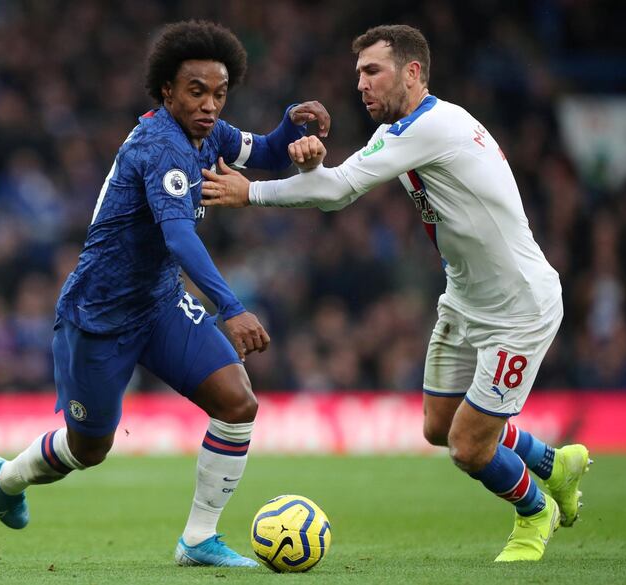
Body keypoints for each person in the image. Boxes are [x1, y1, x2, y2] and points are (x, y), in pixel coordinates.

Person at [201, 24, 591, 562]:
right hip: (465, 299)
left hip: (518, 308)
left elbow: (337, 192)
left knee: (468, 446)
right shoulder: (411, 128)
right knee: (438, 427)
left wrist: (252, 193)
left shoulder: (431, 126)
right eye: (358, 73)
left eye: (372, 71)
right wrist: (313, 168)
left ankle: (534, 512)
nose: (360, 84)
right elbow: (333, 181)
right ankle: (552, 463)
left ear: (412, 73)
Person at [0, 20, 330, 568]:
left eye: (219, 93)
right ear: (166, 91)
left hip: (158, 302)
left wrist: (292, 125)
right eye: (196, 92)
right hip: (99, 315)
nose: (210, 104)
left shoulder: (205, 131)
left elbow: (264, 150)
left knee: (238, 403)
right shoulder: (159, 146)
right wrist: (230, 308)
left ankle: (197, 540)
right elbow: (179, 236)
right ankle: (8, 477)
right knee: (89, 448)